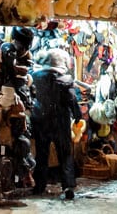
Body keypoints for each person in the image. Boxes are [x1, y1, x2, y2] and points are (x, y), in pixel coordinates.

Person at [30, 48, 82, 200]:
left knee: (42, 153)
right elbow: (72, 100)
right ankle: (67, 186)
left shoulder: (35, 76)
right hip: (60, 121)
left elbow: (31, 96)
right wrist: (77, 115)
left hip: (41, 120)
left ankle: (39, 185)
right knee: (64, 154)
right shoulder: (65, 79)